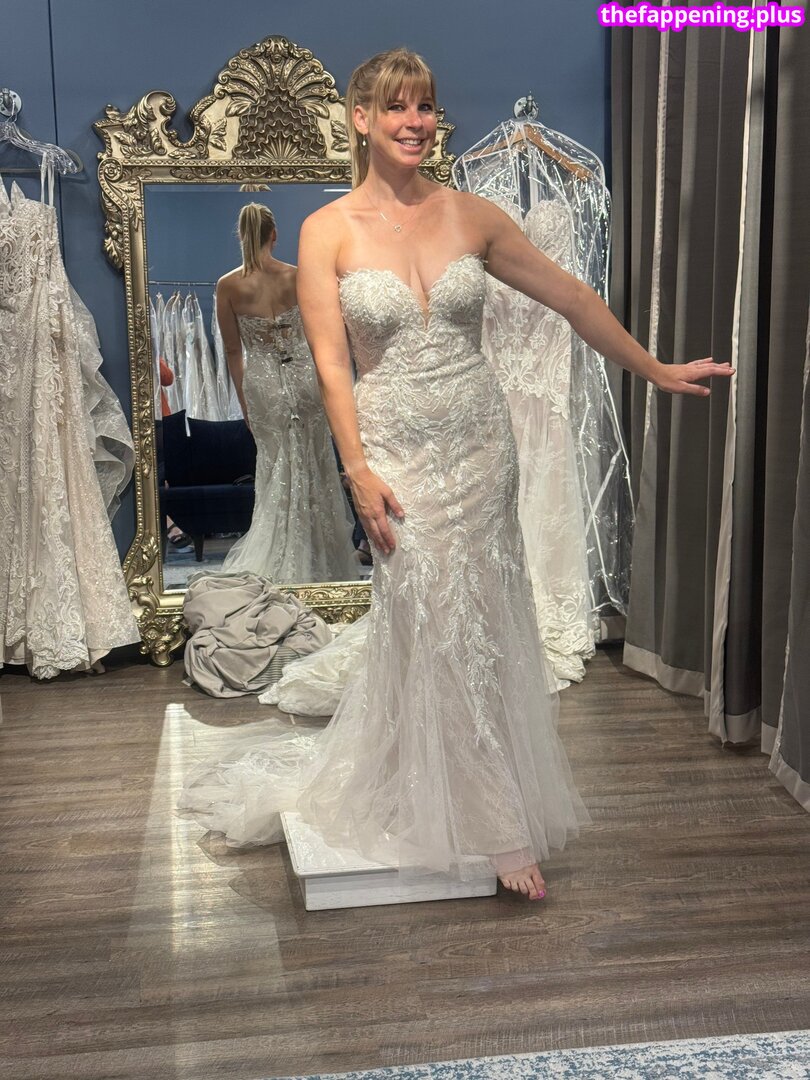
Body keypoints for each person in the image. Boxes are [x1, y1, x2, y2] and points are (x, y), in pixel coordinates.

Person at [181, 50, 732, 902]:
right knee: (428, 610)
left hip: (480, 443)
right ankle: (490, 820)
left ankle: (469, 791)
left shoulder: (472, 216)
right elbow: (331, 365)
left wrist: (653, 368)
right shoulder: (327, 230)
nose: (415, 122)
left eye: (426, 107)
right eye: (397, 107)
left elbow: (573, 298)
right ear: (362, 118)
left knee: (479, 617)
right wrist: (355, 467)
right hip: (395, 450)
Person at [215, 204, 357, 583]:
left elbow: (233, 351)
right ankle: (320, 558)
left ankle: (281, 557)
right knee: (314, 462)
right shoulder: (297, 277)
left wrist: (245, 401)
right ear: (274, 234)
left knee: (274, 465)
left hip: (262, 385)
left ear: (242, 235)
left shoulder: (228, 285)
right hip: (304, 377)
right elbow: (320, 338)